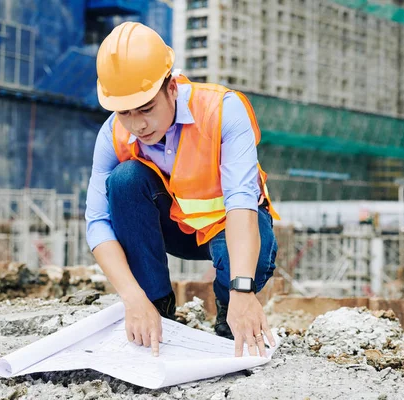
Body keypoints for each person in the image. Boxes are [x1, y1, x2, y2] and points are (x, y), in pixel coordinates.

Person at [85, 22, 279, 358]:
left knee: (252, 259)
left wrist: (242, 291)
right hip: (173, 230)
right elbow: (97, 221)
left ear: (172, 87)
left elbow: (241, 204)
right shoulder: (113, 133)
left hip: (227, 230)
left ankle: (227, 306)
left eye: (146, 109)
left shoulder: (221, 110)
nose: (137, 124)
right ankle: (156, 310)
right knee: (125, 179)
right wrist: (134, 299)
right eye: (125, 113)